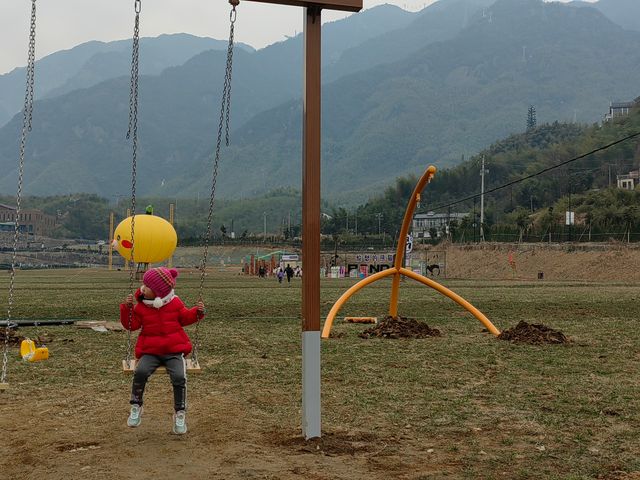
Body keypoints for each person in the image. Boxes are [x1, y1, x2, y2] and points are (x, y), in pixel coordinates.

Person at [120, 267, 205, 435]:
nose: (142, 288)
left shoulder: (175, 303)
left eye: (147, 286)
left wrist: (198, 312)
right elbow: (131, 325)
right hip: (149, 351)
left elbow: (185, 317)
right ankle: (136, 405)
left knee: (180, 377)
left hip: (174, 352)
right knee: (140, 372)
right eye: (143, 284)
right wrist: (127, 308)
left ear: (158, 293)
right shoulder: (141, 307)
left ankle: (179, 412)